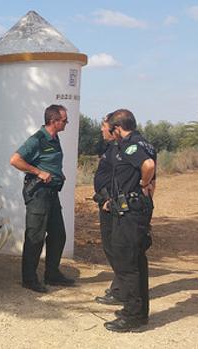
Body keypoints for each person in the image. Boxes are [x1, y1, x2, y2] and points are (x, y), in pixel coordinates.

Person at [10, 104, 75, 293]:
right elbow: (15, 160)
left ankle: (52, 274)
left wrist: (56, 174)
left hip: (52, 193)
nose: (67, 123)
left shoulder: (55, 139)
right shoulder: (37, 139)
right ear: (53, 121)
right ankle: (29, 279)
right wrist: (38, 172)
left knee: (58, 235)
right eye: (64, 120)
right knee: (35, 236)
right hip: (38, 193)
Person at [104, 109, 156, 332]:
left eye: (110, 129)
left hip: (131, 212)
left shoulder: (131, 145)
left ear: (117, 128)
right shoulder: (146, 143)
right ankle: (139, 312)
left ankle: (132, 315)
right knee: (137, 261)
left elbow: (148, 167)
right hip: (135, 209)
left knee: (127, 263)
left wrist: (144, 184)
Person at [92, 113, 124, 306]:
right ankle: (120, 285)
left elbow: (121, 179)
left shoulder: (122, 149)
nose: (101, 129)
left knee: (115, 247)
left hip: (112, 204)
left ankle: (121, 290)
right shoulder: (110, 147)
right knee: (112, 246)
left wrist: (109, 199)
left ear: (114, 128)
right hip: (107, 202)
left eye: (104, 126)